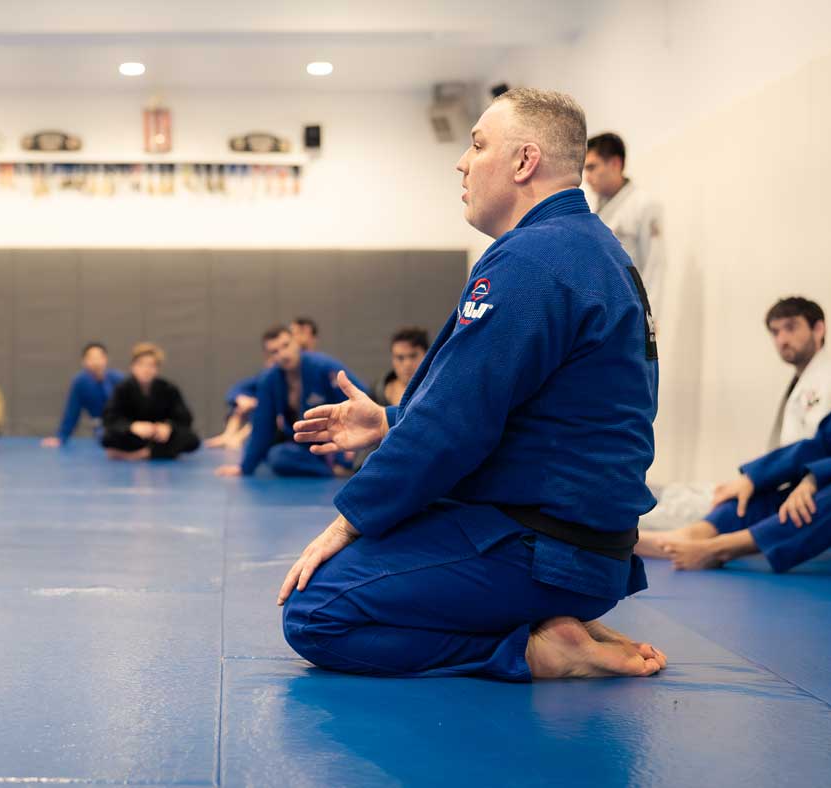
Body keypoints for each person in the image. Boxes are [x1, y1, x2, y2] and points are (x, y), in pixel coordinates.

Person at [278, 88, 667, 681]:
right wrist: (387, 421)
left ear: (523, 162)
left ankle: (530, 651)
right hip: (588, 545)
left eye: (478, 145)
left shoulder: (532, 261)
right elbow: (523, 406)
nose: (462, 162)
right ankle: (558, 618)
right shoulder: (597, 252)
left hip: (542, 548)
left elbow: (452, 426)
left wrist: (345, 521)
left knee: (315, 613)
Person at [640, 272, 831, 573]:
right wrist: (756, 477)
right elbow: (827, 442)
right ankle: (692, 534)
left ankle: (721, 549)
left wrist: (815, 478)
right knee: (769, 493)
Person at [215, 326, 365, 478]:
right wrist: (244, 468)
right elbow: (263, 425)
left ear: (296, 343)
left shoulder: (323, 366)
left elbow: (361, 397)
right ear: (269, 356)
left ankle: (341, 464)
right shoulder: (269, 380)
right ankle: (331, 471)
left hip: (340, 438)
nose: (283, 354)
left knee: (357, 456)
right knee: (277, 456)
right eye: (275, 351)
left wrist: (352, 442)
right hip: (305, 446)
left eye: (286, 345)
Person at [583, 133, 666, 310]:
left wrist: (650, 317)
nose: (587, 177)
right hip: (600, 307)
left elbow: (654, 266)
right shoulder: (589, 206)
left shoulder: (644, 205)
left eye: (592, 167)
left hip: (631, 309)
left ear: (615, 164)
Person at [762, 297, 831, 450]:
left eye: (790, 328)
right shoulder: (798, 381)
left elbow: (819, 446)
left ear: (818, 329)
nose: (782, 340)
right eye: (775, 332)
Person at [100, 342, 201, 461]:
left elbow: (184, 418)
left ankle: (142, 454)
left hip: (159, 436)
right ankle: (159, 452)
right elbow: (110, 418)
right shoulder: (122, 389)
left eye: (151, 365)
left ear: (157, 369)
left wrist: (168, 427)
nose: (146, 370)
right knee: (107, 437)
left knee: (191, 439)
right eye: (141, 365)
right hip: (135, 436)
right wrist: (132, 426)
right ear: (133, 367)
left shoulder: (168, 388)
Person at [42, 342, 126, 448]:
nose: (96, 362)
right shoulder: (80, 382)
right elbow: (72, 412)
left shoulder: (118, 379)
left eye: (99, 357)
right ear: (84, 361)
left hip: (125, 424)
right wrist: (61, 437)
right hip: (103, 429)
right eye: (91, 358)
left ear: (106, 359)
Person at [204, 360, 273, 449]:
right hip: (255, 410)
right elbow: (235, 390)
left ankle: (239, 438)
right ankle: (227, 435)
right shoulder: (263, 377)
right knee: (241, 406)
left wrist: (259, 403)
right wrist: (241, 399)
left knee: (263, 413)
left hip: (271, 421)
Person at [372, 327, 429, 407]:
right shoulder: (378, 391)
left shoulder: (437, 390)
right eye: (400, 358)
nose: (407, 364)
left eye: (413, 356)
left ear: (427, 356)